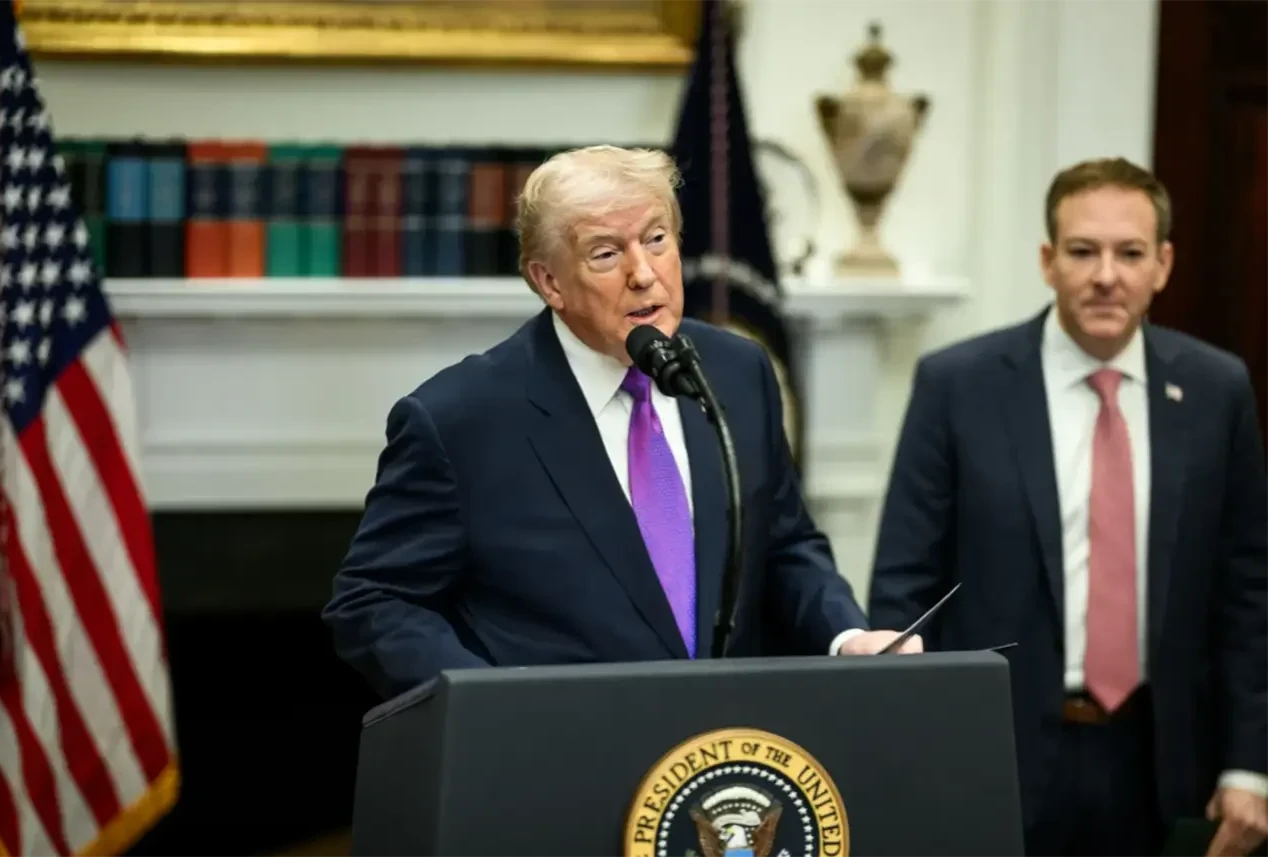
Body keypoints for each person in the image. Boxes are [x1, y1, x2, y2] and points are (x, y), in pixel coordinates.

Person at [322, 145, 918, 702]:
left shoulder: (737, 372)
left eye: (657, 240)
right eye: (606, 254)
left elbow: (784, 546)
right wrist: (487, 702)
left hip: (724, 745)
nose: (643, 273)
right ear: (549, 282)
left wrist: (846, 635)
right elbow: (373, 599)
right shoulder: (461, 418)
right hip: (562, 750)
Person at [867, 157, 1268, 857]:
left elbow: (1247, 593)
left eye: (1130, 253)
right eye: (1083, 251)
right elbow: (905, 588)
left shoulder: (1216, 390)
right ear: (1048, 261)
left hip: (1165, 764)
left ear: (1163, 264)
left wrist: (1247, 765)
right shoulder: (957, 387)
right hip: (996, 758)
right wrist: (915, 755)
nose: (1106, 275)